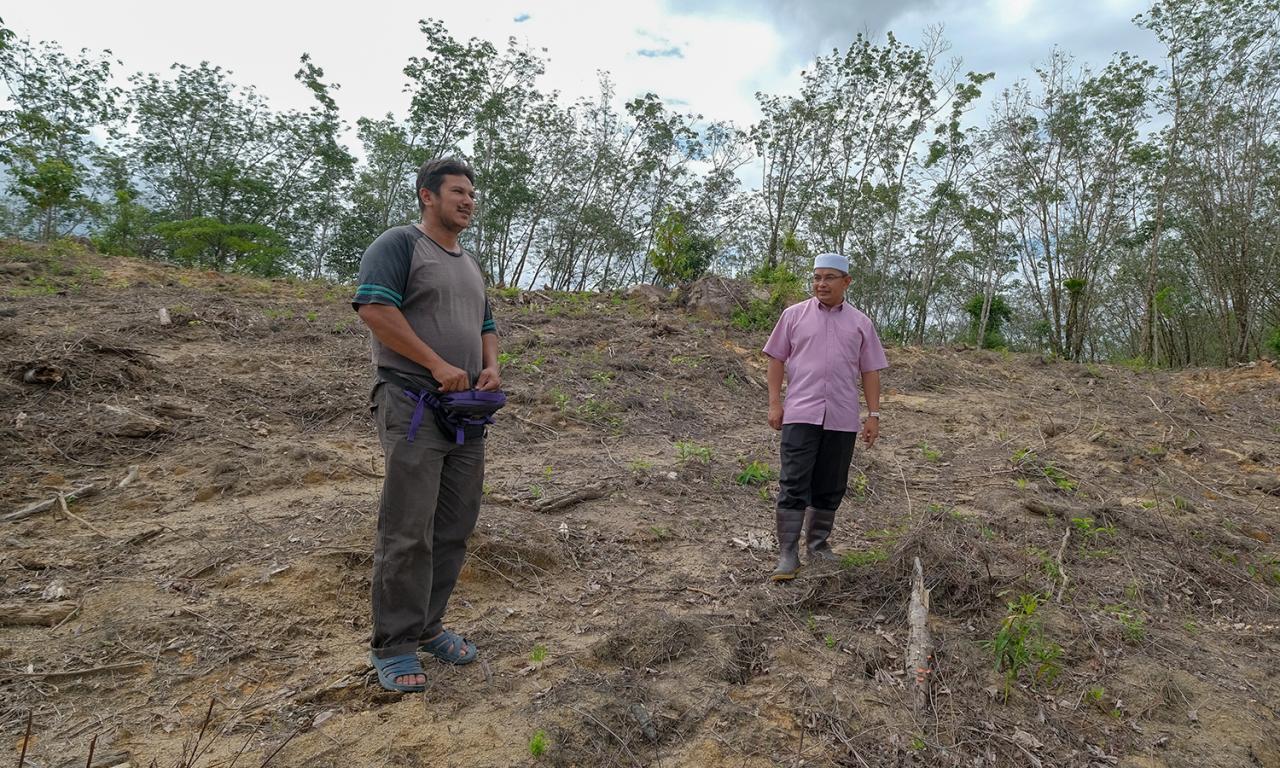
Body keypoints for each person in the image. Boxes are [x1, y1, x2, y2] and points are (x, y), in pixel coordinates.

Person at [351, 157, 501, 692]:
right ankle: (393, 644)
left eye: (471, 194)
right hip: (411, 404)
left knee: (455, 526)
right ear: (426, 196)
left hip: (466, 416)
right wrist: (436, 364)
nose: (468, 201)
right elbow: (374, 309)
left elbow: (486, 323)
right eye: (457, 192)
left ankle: (429, 626)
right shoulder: (398, 245)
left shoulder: (470, 262)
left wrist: (491, 367)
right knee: (407, 529)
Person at [762, 253, 888, 581]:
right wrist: (775, 403)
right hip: (801, 413)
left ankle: (817, 545)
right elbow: (776, 359)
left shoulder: (861, 323)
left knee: (831, 484)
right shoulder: (793, 316)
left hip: (842, 417)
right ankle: (788, 553)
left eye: (830, 277)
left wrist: (873, 415)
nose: (821, 284)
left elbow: (870, 370)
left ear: (846, 282)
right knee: (793, 482)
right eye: (817, 277)